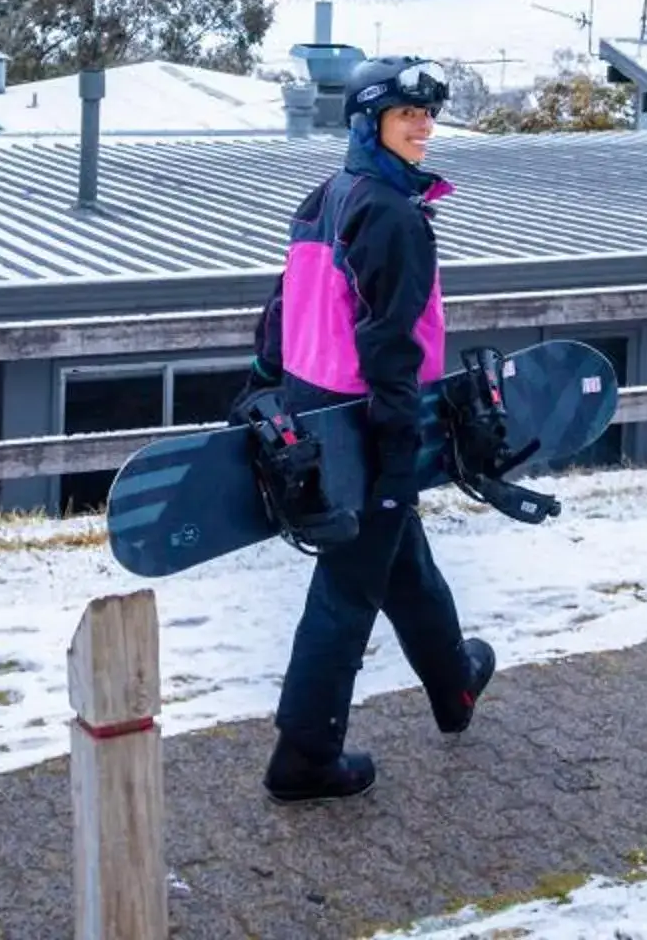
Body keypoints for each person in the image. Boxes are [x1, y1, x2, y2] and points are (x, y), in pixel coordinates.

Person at [255, 55, 496, 803]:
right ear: (369, 124)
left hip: (317, 413)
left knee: (403, 565)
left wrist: (270, 391)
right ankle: (304, 757)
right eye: (406, 115)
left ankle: (453, 683)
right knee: (347, 592)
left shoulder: (326, 196)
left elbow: (279, 312)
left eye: (427, 115)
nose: (424, 126)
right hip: (368, 429)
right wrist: (398, 457)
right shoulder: (392, 216)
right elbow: (392, 347)